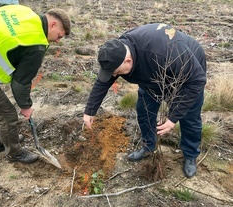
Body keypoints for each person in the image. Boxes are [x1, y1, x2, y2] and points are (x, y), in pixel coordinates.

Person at [83, 23, 206, 178]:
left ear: (128, 61)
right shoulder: (116, 53)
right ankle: (149, 147)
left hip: (187, 73)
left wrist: (173, 117)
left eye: (116, 72)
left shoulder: (168, 55)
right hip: (152, 73)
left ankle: (190, 155)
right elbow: (103, 82)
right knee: (144, 109)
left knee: (189, 116)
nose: (114, 76)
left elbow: (197, 80)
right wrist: (90, 110)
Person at [0, 2, 71, 163]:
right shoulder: (36, 46)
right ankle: (14, 152)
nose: (58, 41)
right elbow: (20, 84)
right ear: (52, 24)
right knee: (6, 112)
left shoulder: (20, 10)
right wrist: (26, 106)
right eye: (59, 36)